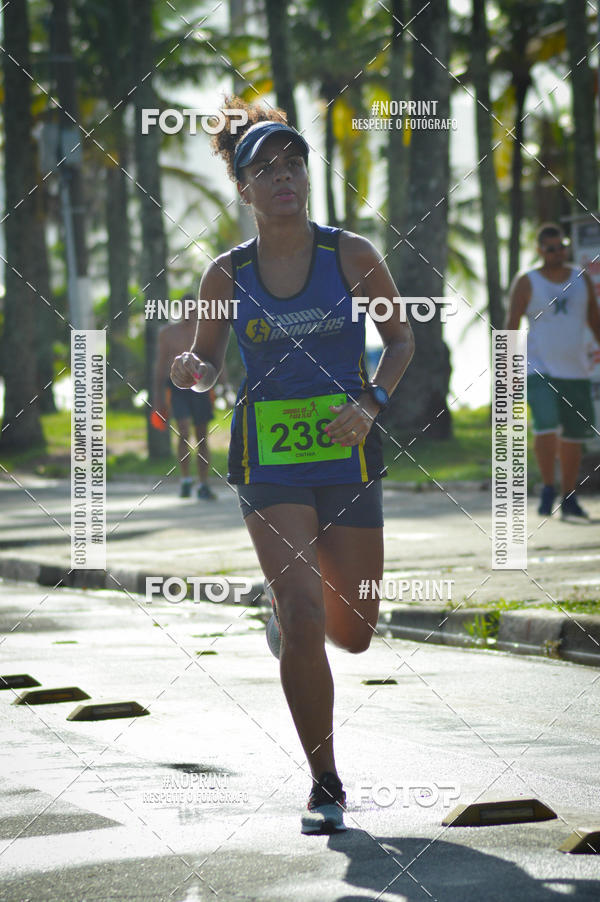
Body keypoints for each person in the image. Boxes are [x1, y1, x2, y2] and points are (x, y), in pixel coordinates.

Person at [170, 97, 414, 833]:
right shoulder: (227, 272)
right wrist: (193, 370)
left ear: (307, 174)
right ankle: (325, 782)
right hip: (268, 457)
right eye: (265, 169)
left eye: (293, 164)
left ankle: (286, 623)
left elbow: (400, 342)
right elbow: (208, 365)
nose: (283, 177)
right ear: (242, 189)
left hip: (346, 448)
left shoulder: (352, 254)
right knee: (305, 612)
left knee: (355, 629)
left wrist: (370, 403)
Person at [506, 222, 600, 518]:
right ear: (539, 250)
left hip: (575, 370)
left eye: (561, 246)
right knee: (546, 425)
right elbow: (511, 326)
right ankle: (548, 487)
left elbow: (594, 321)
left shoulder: (581, 278)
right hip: (539, 369)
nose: (557, 252)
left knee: (573, 435)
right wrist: (509, 370)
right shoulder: (527, 281)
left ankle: (568, 496)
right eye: (550, 248)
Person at [154, 295, 217, 500]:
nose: (189, 312)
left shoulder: (204, 332)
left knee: (202, 436)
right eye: (185, 308)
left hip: (200, 385)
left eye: (193, 308)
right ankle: (185, 480)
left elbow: (215, 359)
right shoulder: (168, 333)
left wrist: (222, 385)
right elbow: (161, 364)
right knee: (182, 430)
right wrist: (158, 398)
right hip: (177, 387)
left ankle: (204, 483)